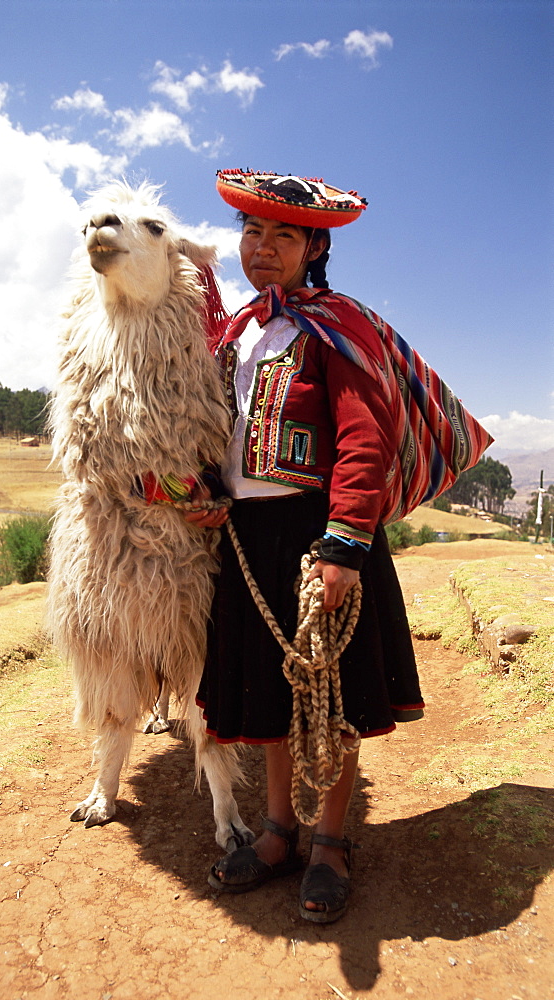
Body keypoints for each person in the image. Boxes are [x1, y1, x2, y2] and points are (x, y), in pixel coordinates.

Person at [183, 169, 478, 924]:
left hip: (319, 535)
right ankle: (279, 830)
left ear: (314, 246)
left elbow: (363, 435)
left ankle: (331, 842)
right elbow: (220, 433)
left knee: (327, 697)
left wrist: (343, 545)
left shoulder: (335, 325)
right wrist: (206, 491)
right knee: (277, 696)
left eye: (283, 235)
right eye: (253, 233)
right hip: (248, 541)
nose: (263, 247)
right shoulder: (236, 333)